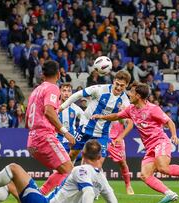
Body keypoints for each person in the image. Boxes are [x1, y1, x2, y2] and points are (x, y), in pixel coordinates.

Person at [91, 82, 179, 203]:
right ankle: (170, 193)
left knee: (163, 168)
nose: (129, 94)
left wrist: (174, 135)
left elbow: (169, 122)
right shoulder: (131, 109)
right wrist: (101, 116)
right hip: (149, 147)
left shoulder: (153, 109)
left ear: (138, 96)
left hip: (160, 142)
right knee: (145, 175)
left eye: (131, 92)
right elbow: (116, 116)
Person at [0, 140, 118, 203]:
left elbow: (88, 192)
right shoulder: (101, 179)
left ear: (82, 154)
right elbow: (112, 199)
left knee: (13, 169)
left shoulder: (80, 169)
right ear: (100, 157)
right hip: (43, 200)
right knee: (11, 185)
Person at [60, 70, 131, 169]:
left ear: (126, 85)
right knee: (72, 155)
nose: (118, 87)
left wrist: (121, 118)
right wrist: (61, 107)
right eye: (117, 84)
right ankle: (64, 181)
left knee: (97, 165)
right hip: (85, 128)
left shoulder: (125, 102)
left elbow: (126, 122)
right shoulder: (100, 89)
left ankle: (87, 181)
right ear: (114, 81)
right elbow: (78, 94)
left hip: (103, 134)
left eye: (122, 85)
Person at [25, 60, 75, 195]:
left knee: (63, 170)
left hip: (32, 139)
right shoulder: (52, 88)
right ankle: (44, 197)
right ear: (58, 74)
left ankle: (40, 195)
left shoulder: (36, 90)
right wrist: (65, 132)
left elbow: (27, 118)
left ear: (42, 75)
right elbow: (49, 111)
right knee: (69, 170)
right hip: (44, 137)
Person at [107, 119, 134, 195]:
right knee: (97, 161)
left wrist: (119, 115)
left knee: (122, 163)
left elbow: (126, 122)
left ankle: (128, 185)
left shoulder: (123, 108)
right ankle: (97, 187)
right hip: (104, 138)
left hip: (117, 140)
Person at [57, 83, 84, 153]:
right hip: (58, 142)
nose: (66, 93)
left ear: (72, 93)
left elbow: (85, 121)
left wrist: (79, 134)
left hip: (72, 142)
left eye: (69, 91)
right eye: (64, 91)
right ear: (60, 92)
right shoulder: (54, 107)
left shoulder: (76, 108)